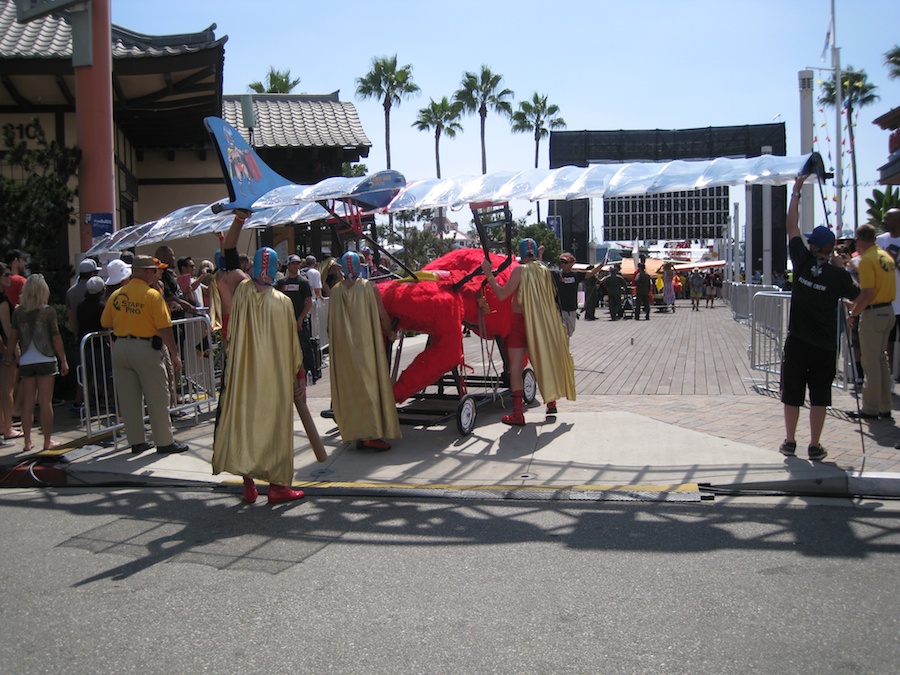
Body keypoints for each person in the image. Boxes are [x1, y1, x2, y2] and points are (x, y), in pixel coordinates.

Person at [212, 210, 307, 505]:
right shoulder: (283, 303)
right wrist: (300, 376)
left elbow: (228, 253)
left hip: (242, 375)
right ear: (278, 268)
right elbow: (293, 347)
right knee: (275, 426)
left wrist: (239, 219)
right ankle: (278, 487)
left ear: (251, 267)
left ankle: (249, 484)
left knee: (245, 422)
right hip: (274, 378)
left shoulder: (239, 290)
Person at [779, 174, 859, 462]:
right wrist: (843, 268)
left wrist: (797, 191)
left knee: (792, 393)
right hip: (825, 345)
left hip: (798, 341)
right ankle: (814, 444)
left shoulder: (800, 260)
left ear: (813, 246)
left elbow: (791, 226)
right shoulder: (838, 275)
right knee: (820, 395)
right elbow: (858, 293)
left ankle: (790, 440)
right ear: (832, 249)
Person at [100, 255, 189, 455]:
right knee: (157, 396)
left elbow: (106, 322)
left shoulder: (117, 295)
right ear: (147, 272)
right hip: (146, 348)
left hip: (121, 347)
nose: (156, 274)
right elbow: (165, 328)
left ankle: (137, 442)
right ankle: (164, 441)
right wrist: (175, 354)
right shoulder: (152, 296)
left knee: (130, 399)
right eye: (153, 270)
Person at [481, 238, 576, 423]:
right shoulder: (544, 271)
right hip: (540, 324)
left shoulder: (519, 270)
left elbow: (501, 295)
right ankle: (551, 403)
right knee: (543, 362)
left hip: (519, 324)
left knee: (515, 369)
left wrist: (488, 274)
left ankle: (518, 414)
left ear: (522, 253)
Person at [328, 251, 400, 449]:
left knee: (351, 388)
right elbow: (382, 315)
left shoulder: (335, 292)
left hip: (344, 351)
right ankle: (371, 434)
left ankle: (358, 433)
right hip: (366, 348)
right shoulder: (368, 287)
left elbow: (330, 325)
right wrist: (390, 332)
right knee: (369, 386)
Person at [4, 274, 69, 452]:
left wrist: (9, 356)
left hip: (26, 360)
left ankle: (27, 442)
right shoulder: (48, 311)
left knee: (28, 403)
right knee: (45, 402)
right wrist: (63, 359)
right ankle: (47, 442)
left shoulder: (18, 311)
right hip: (46, 358)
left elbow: (13, 336)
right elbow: (56, 338)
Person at [847, 223, 897, 421]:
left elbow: (867, 294)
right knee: (881, 360)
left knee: (870, 363)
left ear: (859, 241)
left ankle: (870, 408)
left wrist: (853, 313)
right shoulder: (885, 256)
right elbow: (872, 290)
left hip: (874, 314)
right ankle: (885, 406)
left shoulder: (867, 260)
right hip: (888, 310)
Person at [275, 254, 316, 382]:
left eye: (297, 264)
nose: (295, 266)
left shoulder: (303, 282)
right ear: (288, 266)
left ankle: (311, 372)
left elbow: (309, 302)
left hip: (300, 321)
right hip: (286, 321)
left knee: (305, 347)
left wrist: (300, 319)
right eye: (293, 264)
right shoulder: (281, 283)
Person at [875, 208, 900, 380]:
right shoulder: (879, 241)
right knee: (886, 342)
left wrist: (893, 260)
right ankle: (889, 377)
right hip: (885, 301)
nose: (884, 220)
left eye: (888, 218)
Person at [0, 262, 22, 444]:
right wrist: (12, 350)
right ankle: (7, 428)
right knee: (7, 390)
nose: (9, 278)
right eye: (6, 275)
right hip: (4, 349)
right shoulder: (2, 301)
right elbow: (6, 329)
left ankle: (3, 425)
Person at [552, 252, 599, 335]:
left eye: (565, 262)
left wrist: (602, 265)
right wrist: (540, 255)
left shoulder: (576, 275)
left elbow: (591, 273)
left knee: (570, 332)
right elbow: (542, 270)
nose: (563, 264)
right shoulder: (556, 274)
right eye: (562, 262)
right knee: (562, 333)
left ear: (572, 263)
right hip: (559, 309)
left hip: (571, 309)